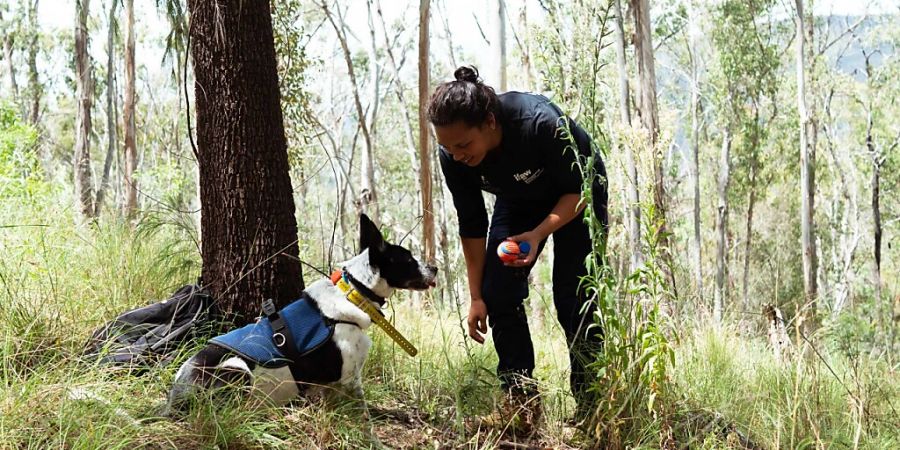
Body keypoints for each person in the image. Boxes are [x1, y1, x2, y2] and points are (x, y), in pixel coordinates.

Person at [428, 66, 608, 433]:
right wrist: (476, 296)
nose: (456, 155)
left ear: (490, 122)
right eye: (447, 147)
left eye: (463, 145)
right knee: (498, 292)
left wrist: (539, 233)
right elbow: (473, 226)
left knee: (573, 298)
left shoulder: (539, 123)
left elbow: (583, 189)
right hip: (520, 197)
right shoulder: (454, 157)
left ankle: (592, 408)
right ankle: (520, 402)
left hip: (577, 194)